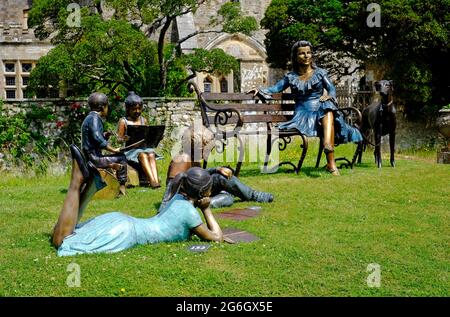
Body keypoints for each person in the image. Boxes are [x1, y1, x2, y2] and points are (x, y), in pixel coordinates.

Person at [52, 146, 224, 256]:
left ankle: (89, 187)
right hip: (126, 232)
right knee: (62, 241)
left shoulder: (177, 198)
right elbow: (216, 238)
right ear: (202, 193)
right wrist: (207, 209)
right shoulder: (189, 212)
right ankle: (77, 182)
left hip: (123, 221)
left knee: (69, 233)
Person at [250, 40, 363, 175]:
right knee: (328, 115)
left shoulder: (320, 73)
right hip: (302, 114)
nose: (306, 56)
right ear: (296, 57)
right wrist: (260, 90)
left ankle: (327, 145)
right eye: (302, 53)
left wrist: (330, 96)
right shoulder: (291, 77)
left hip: (321, 111)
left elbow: (331, 89)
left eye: (309, 53)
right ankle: (331, 162)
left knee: (327, 106)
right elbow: (276, 88)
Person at [160, 125, 273, 211]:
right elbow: (171, 187)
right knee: (221, 178)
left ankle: (203, 204)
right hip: (187, 199)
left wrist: (216, 169)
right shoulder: (182, 159)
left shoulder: (194, 159)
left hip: (196, 194)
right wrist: (164, 207)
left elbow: (200, 176)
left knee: (228, 197)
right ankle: (254, 195)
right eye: (207, 147)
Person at [81, 92, 128, 196]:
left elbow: (95, 136)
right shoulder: (94, 118)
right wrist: (113, 149)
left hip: (92, 156)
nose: (108, 109)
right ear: (102, 108)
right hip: (94, 158)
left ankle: (114, 179)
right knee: (122, 157)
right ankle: (122, 188)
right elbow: (97, 138)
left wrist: (105, 135)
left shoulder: (90, 118)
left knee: (119, 158)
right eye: (107, 107)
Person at [117, 92, 162, 188]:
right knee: (142, 155)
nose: (137, 111)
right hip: (131, 151)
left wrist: (157, 136)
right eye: (134, 109)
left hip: (143, 148)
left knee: (151, 154)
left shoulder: (143, 120)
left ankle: (156, 179)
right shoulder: (123, 121)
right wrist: (123, 139)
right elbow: (118, 139)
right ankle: (153, 181)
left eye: (139, 109)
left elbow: (147, 134)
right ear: (128, 109)